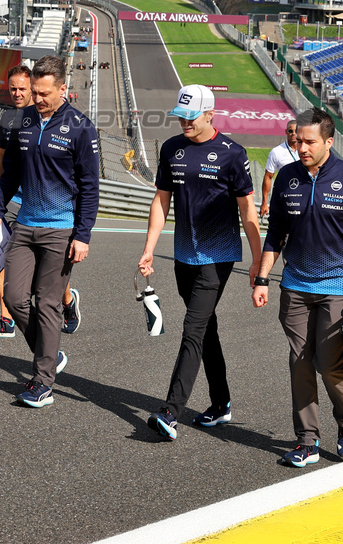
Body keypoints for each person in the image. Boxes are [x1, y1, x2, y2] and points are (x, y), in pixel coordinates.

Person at [251, 107, 343, 468]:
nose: (300, 147)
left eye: (309, 142)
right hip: (294, 285)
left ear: (329, 142)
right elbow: (275, 235)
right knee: (299, 361)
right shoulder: (287, 177)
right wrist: (262, 278)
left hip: (338, 285)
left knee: (329, 363)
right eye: (297, 140)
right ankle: (307, 440)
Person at [138, 85, 262, 440]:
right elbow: (161, 201)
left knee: (193, 329)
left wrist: (257, 263)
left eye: (191, 117)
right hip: (183, 257)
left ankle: (170, 411)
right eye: (181, 116)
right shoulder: (172, 149)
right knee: (206, 331)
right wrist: (149, 247)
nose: (184, 123)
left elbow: (247, 210)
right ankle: (221, 404)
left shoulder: (232, 154)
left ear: (210, 114)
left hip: (217, 258)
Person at [0, 55, 100, 408]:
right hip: (25, 225)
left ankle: (42, 381)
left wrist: (83, 234)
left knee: (47, 302)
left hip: (62, 229)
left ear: (63, 88)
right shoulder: (24, 122)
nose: (37, 98)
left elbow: (90, 186)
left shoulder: (81, 127)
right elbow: (11, 173)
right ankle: (49, 352)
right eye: (34, 92)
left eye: (44, 93)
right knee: (16, 298)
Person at [0, 64, 82, 339]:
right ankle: (7, 318)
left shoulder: (60, 120)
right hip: (15, 201)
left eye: (23, 89)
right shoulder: (10, 120)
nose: (17, 93)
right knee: (2, 256)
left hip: (48, 204)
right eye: (12, 88)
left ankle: (68, 300)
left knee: (44, 278)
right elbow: (3, 163)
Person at [259, 119, 298, 219]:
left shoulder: (306, 150)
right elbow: (268, 177)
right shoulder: (276, 152)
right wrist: (264, 203)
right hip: (284, 199)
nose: (293, 134)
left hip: (302, 199)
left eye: (296, 131)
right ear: (286, 132)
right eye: (290, 131)